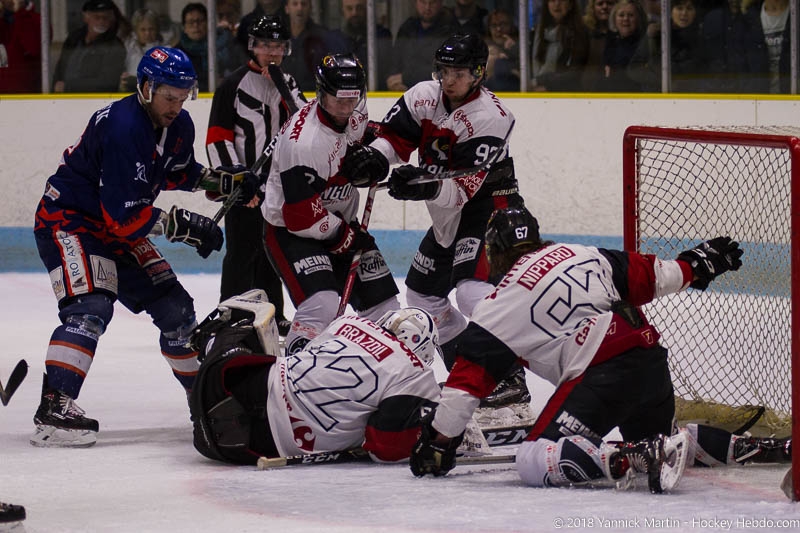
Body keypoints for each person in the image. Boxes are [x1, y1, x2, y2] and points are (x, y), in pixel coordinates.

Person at [407, 206, 771, 493]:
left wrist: (439, 442)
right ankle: (760, 449)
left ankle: (629, 457)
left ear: (494, 252)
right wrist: (693, 265)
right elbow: (653, 275)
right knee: (664, 439)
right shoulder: (579, 252)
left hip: (602, 373)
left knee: (532, 458)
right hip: (650, 361)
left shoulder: (496, 306)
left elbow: (463, 388)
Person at [31, 46, 261, 448]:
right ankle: (55, 406)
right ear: (146, 87)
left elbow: (178, 172)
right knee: (91, 306)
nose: (176, 104)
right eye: (169, 95)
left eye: (184, 94)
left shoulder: (180, 125)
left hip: (116, 227)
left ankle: (203, 400)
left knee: (177, 311)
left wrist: (224, 183)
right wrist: (183, 226)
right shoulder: (123, 127)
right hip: (71, 221)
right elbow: (124, 215)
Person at [372, 33, 527, 413]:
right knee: (423, 296)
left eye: (459, 72)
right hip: (449, 213)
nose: (449, 79)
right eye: (444, 70)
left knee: (473, 293)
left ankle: (510, 378)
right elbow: (393, 139)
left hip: (491, 210)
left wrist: (420, 188)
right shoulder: (424, 95)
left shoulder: (491, 117)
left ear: (478, 73)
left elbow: (460, 191)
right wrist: (374, 160)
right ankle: (469, 373)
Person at [188, 289, 442, 465]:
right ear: (424, 350)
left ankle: (219, 340)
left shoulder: (349, 323)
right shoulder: (416, 371)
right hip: (241, 443)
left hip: (218, 385)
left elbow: (311, 361)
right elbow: (385, 448)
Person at [262, 53, 399, 355]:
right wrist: (345, 237)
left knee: (386, 308)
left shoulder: (352, 108)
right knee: (322, 306)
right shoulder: (305, 143)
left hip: (339, 222)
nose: (346, 109)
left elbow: (366, 132)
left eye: (353, 100)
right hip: (292, 232)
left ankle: (381, 378)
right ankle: (295, 377)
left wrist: (375, 153)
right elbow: (299, 217)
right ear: (321, 94)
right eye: (339, 101)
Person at [206, 14, 306, 336]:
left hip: (277, 189)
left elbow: (306, 126)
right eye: (265, 45)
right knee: (241, 253)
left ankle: (273, 317)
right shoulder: (232, 85)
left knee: (271, 254)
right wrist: (236, 180)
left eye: (278, 46)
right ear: (252, 47)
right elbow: (217, 138)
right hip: (244, 187)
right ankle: (230, 315)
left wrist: (284, 91)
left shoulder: (289, 84)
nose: (272, 53)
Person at [52, 0, 125, 93]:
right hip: (63, 100)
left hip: (95, 101)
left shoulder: (114, 46)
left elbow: (108, 83)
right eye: (97, 17)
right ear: (86, 18)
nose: (101, 21)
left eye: (105, 18)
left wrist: (68, 87)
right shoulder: (74, 39)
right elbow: (59, 70)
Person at [386, 0, 457, 92]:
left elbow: (446, 69)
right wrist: (394, 83)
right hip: (406, 91)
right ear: (415, 3)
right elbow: (394, 63)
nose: (427, 7)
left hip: (437, 93)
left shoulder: (451, 31)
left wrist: (406, 78)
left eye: (432, 3)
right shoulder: (407, 28)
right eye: (423, 2)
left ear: (440, 3)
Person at [326, 0, 393, 90]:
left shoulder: (381, 35)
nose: (355, 13)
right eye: (349, 8)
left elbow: (387, 71)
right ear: (342, 11)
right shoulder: (333, 39)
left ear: (366, 8)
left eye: (359, 8)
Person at [176, 3, 239, 92]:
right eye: (191, 22)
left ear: (208, 23)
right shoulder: (177, 54)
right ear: (184, 27)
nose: (196, 26)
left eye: (200, 21)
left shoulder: (226, 46)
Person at [530, 0, 590, 91]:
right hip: (535, 93)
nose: (557, 4)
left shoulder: (579, 33)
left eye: (562, 0)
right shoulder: (536, 33)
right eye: (552, 0)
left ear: (570, 5)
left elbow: (575, 72)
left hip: (565, 95)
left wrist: (542, 83)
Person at [279, 0, 330, 93]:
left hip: (312, 98)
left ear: (310, 8)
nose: (300, 8)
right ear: (287, 8)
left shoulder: (321, 37)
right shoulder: (278, 37)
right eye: (295, 4)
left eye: (304, 4)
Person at [599, 0, 647, 91]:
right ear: (614, 19)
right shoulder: (610, 42)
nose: (625, 19)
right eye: (621, 15)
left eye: (631, 15)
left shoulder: (644, 43)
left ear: (638, 19)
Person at [0, 0, 43, 93]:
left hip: (25, 96)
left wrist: (20, 12)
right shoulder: (3, 21)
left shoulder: (37, 20)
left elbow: (33, 48)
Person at [119, 8, 164, 92]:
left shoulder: (166, 50)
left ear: (157, 30)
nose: (147, 33)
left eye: (151, 29)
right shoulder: (127, 48)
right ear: (136, 30)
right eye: (143, 30)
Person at [581, 0, 617, 91]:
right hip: (587, 90)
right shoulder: (583, 31)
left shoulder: (623, 33)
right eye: (600, 4)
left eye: (609, 3)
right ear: (592, 8)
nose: (604, 7)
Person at [484, 8, 521, 91]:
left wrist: (514, 51)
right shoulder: (483, 48)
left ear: (511, 26)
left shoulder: (522, 47)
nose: (498, 29)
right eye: (494, 25)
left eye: (503, 24)